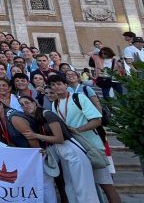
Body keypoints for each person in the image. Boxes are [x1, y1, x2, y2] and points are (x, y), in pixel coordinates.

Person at [49, 75, 121, 203]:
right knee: (80, 186)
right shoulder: (54, 104)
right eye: (53, 85)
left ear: (66, 85)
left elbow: (97, 120)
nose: (56, 87)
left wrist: (78, 130)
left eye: (59, 84)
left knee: (106, 185)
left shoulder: (79, 98)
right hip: (74, 151)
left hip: (91, 147)